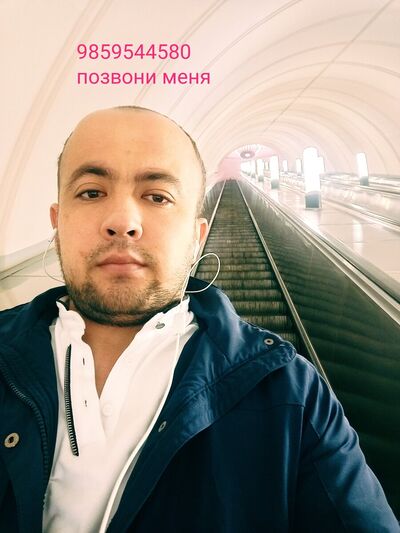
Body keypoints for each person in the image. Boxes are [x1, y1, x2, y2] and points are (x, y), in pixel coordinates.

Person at [0, 106, 398, 533]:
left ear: (197, 235)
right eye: (92, 192)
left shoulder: (291, 395)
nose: (122, 222)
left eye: (157, 197)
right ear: (57, 223)